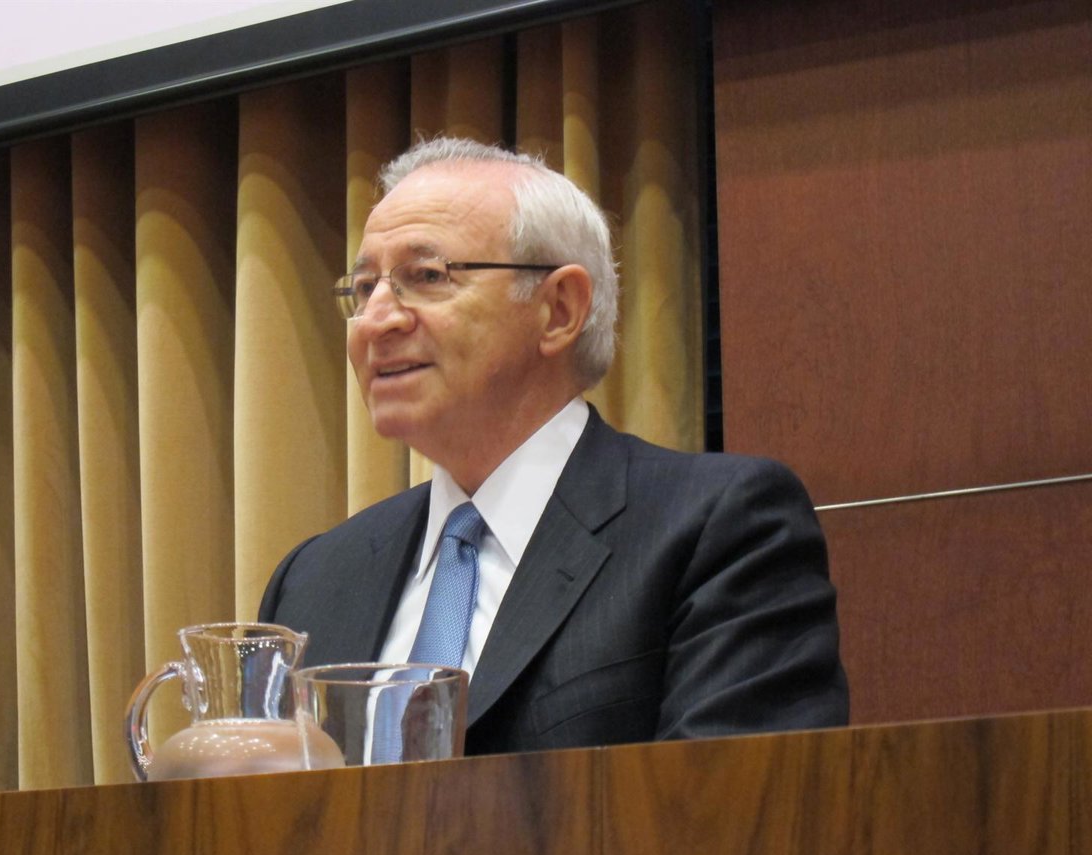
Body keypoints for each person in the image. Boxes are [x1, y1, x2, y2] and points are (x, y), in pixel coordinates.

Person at [259, 136, 848, 756]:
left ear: (559, 310)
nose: (377, 320)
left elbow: (732, 800)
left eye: (426, 277)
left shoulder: (719, 529)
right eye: (363, 288)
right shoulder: (315, 578)